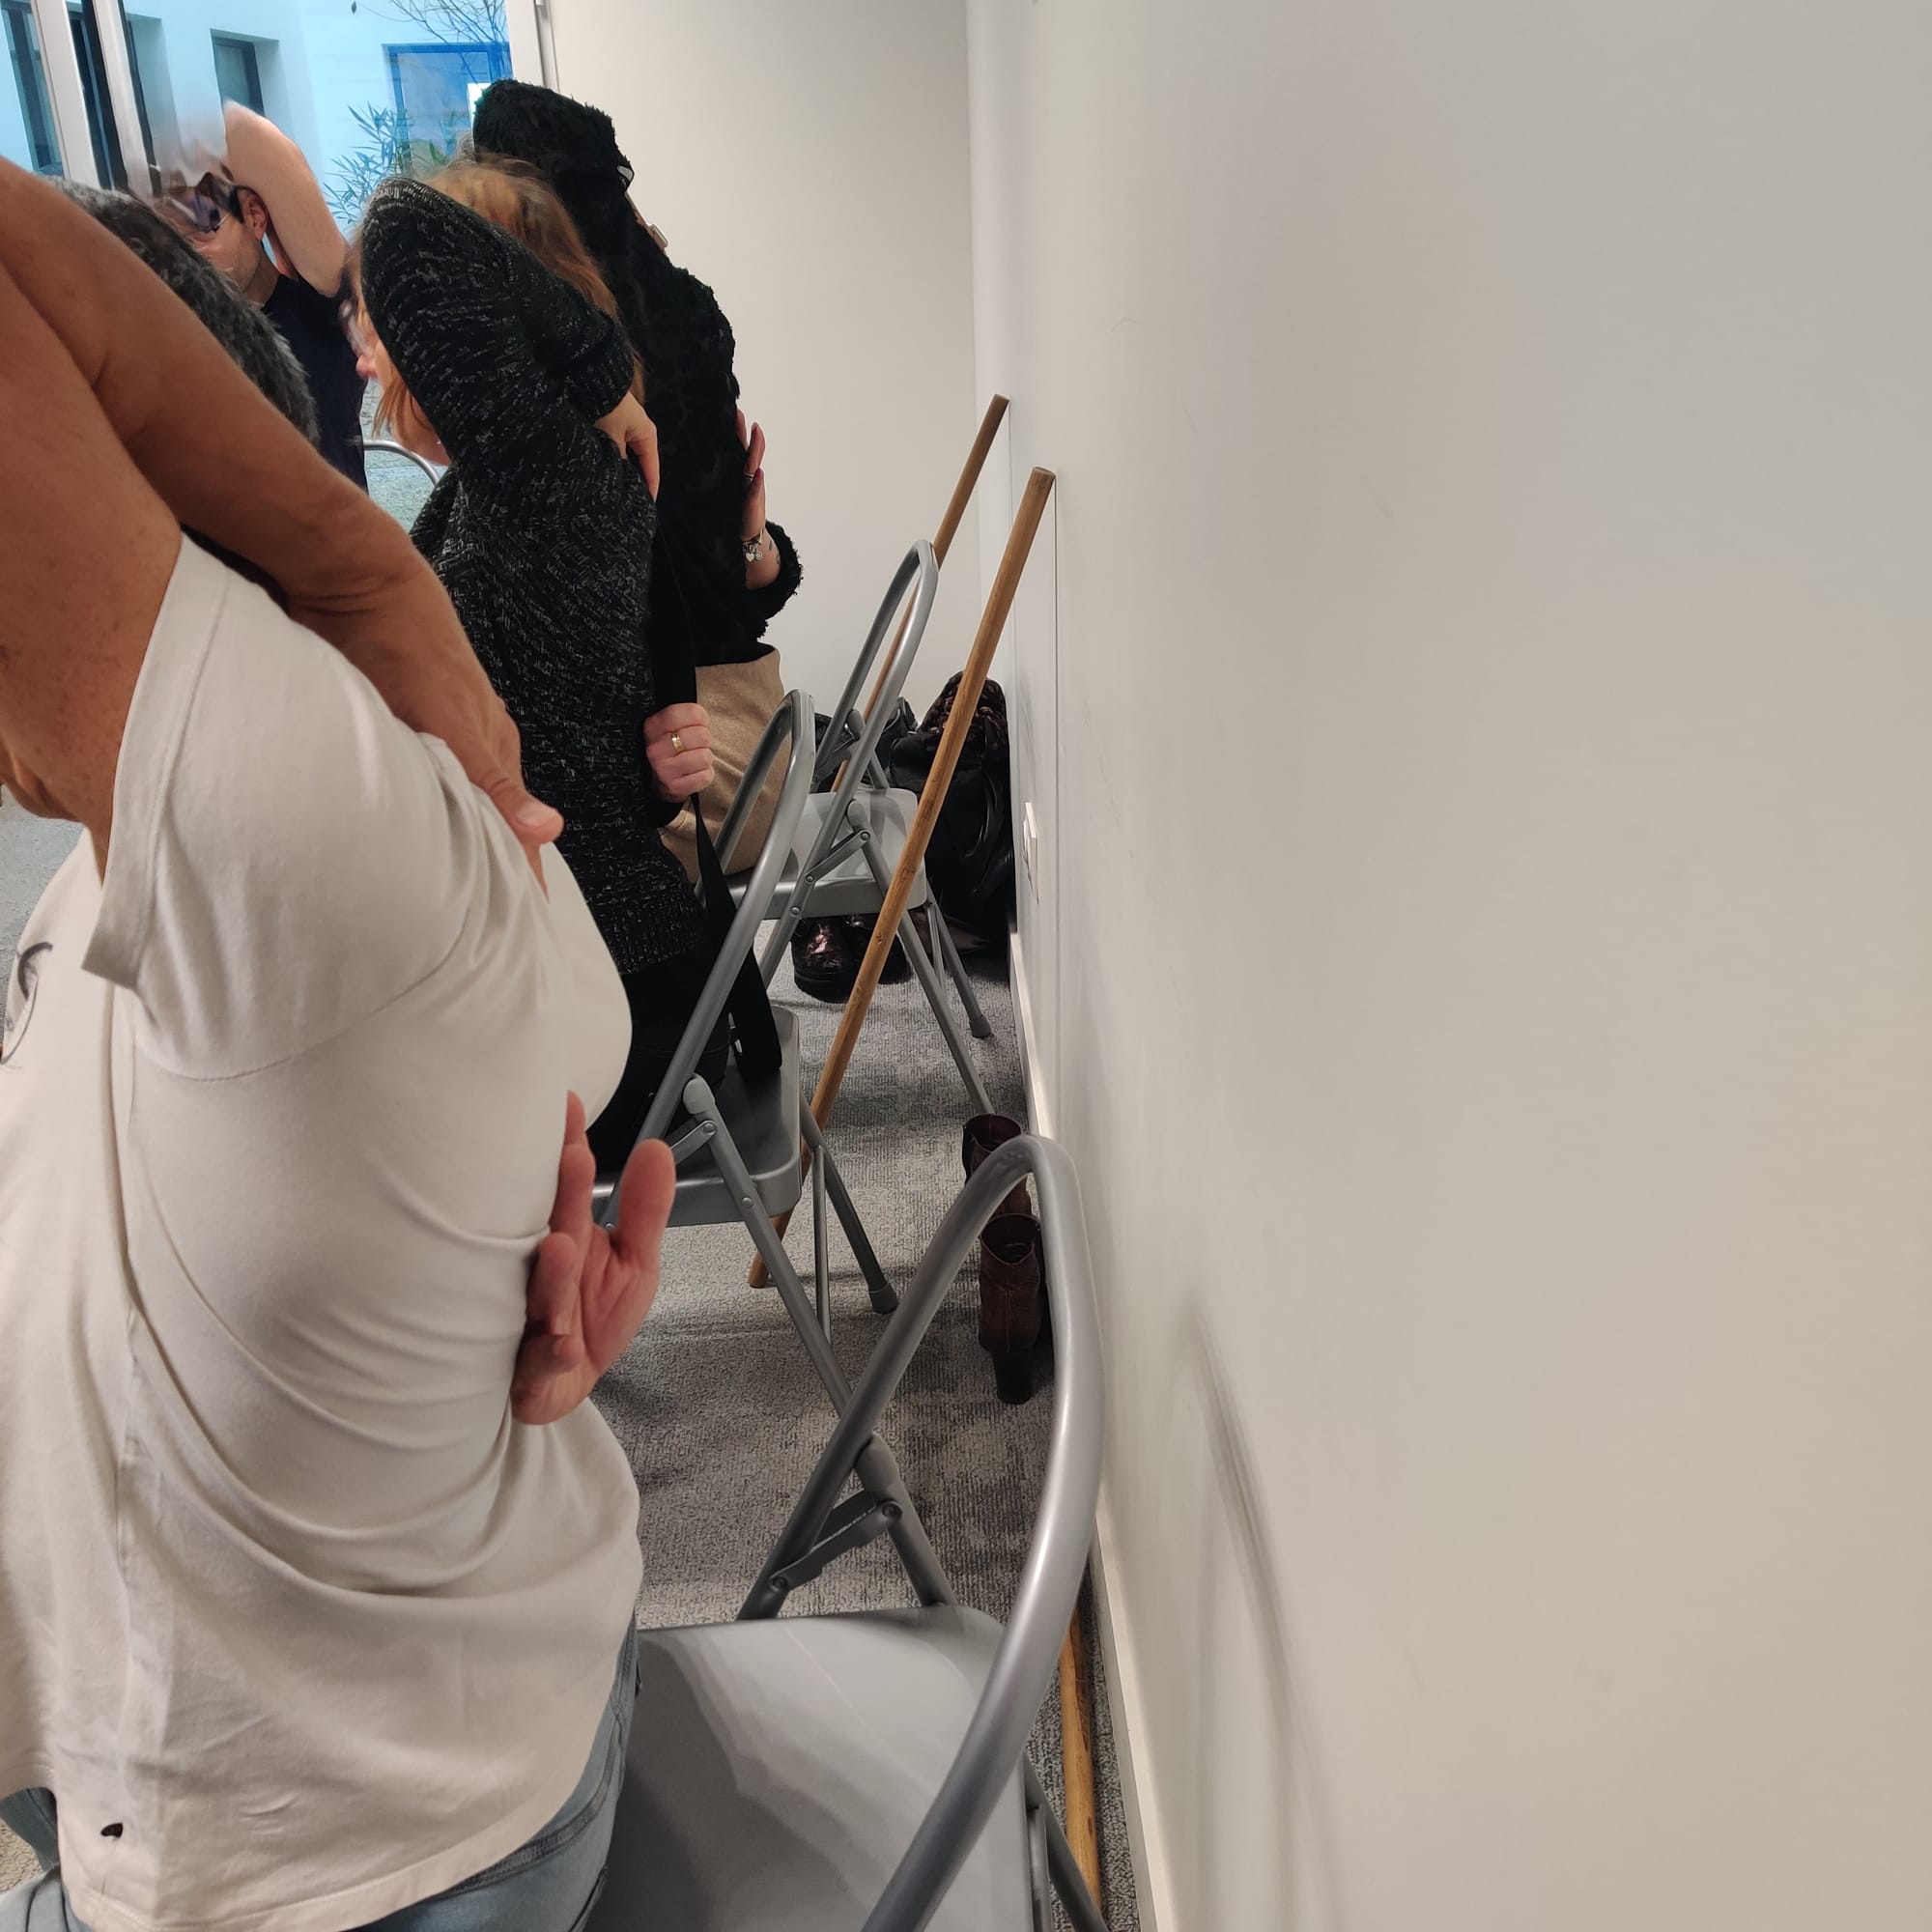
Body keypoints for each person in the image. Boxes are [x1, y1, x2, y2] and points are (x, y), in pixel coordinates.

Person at [0, 156, 675, 1931]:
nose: (377, 344)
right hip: (277, 1716)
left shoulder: (295, 782)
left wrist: (365, 575)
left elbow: (415, 247)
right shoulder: (184, 842)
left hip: (360, 1845)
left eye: (396, 324)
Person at [354, 162, 733, 1172]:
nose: (375, 350)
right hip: (603, 972)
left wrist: (601, 372)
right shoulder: (517, 485)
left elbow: (401, 229)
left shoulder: (545, 476)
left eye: (385, 332)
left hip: (607, 1011)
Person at [470, 80, 803, 876]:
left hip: (704, 776)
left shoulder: (565, 377)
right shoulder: (676, 314)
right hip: (757, 741)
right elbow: (732, 576)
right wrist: (753, 542)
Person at [168, 101, 366, 486]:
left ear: (254, 216)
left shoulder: (319, 315)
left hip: (327, 520)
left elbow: (246, 131)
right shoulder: (180, 338)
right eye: (172, 240)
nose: (188, 256)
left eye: (201, 228)